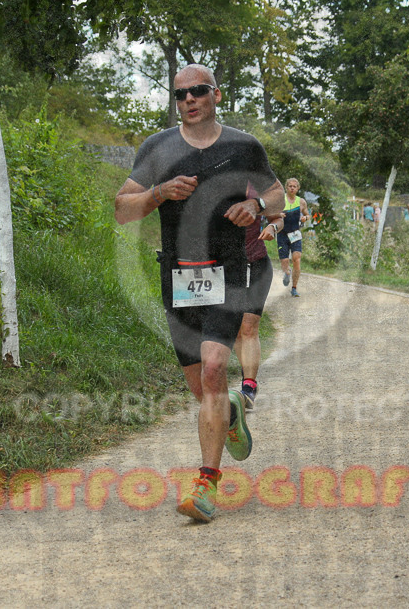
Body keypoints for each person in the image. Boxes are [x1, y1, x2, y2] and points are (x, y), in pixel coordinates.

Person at [114, 64, 284, 523]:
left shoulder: (243, 145)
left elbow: (275, 197)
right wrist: (158, 194)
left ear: (216, 94)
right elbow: (121, 209)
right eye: (180, 94)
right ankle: (228, 412)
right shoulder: (158, 148)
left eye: (198, 92)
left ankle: (206, 486)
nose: (189, 100)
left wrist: (254, 206)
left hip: (229, 273)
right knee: (201, 386)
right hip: (179, 277)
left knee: (213, 369)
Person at [233, 186, 282, 410]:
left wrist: (272, 227)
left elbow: (277, 218)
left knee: (249, 327)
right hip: (226, 267)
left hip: (256, 263)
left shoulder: (259, 185)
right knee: (234, 330)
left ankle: (249, 387)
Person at [271, 177, 308, 297]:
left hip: (295, 234)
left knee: (297, 259)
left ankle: (294, 288)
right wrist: (278, 214)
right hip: (282, 234)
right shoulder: (280, 200)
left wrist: (305, 218)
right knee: (285, 262)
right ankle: (287, 273)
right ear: (286, 187)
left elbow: (308, 214)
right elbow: (270, 214)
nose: (292, 188)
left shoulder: (301, 202)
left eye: (294, 186)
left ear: (298, 188)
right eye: (290, 186)